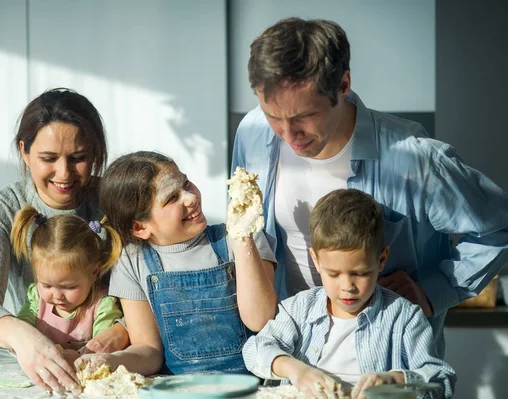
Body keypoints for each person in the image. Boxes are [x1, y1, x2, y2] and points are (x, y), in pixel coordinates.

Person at [231, 17, 508, 357]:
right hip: (293, 360)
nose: (288, 134)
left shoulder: (414, 159)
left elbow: (498, 228)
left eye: (305, 115)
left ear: (343, 84)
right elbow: (250, 236)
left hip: (388, 366)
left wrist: (434, 290)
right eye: (274, 115)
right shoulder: (252, 133)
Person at [0, 88, 129, 394]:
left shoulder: (114, 203)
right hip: (28, 366)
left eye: (79, 158)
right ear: (24, 151)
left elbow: (154, 294)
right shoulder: (3, 208)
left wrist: (120, 333)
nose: (64, 174)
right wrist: (22, 336)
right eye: (48, 159)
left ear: (95, 152)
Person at [75, 151, 277, 376]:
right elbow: (149, 351)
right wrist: (113, 360)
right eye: (172, 198)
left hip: (248, 386)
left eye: (186, 183)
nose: (190, 198)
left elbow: (260, 320)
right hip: (177, 388)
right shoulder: (131, 261)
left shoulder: (240, 236)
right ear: (140, 228)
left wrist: (243, 238)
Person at [243, 189, 456, 399]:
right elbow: (254, 349)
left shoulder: (404, 316)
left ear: (381, 260)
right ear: (316, 261)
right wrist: (296, 370)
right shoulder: (299, 309)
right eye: (334, 274)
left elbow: (441, 381)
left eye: (360, 273)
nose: (347, 286)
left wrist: (395, 380)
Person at [11, 205, 123, 365]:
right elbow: (22, 331)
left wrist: (78, 357)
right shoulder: (36, 298)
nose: (57, 296)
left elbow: (105, 347)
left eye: (69, 287)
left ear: (94, 272)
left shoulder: (102, 305)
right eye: (47, 285)